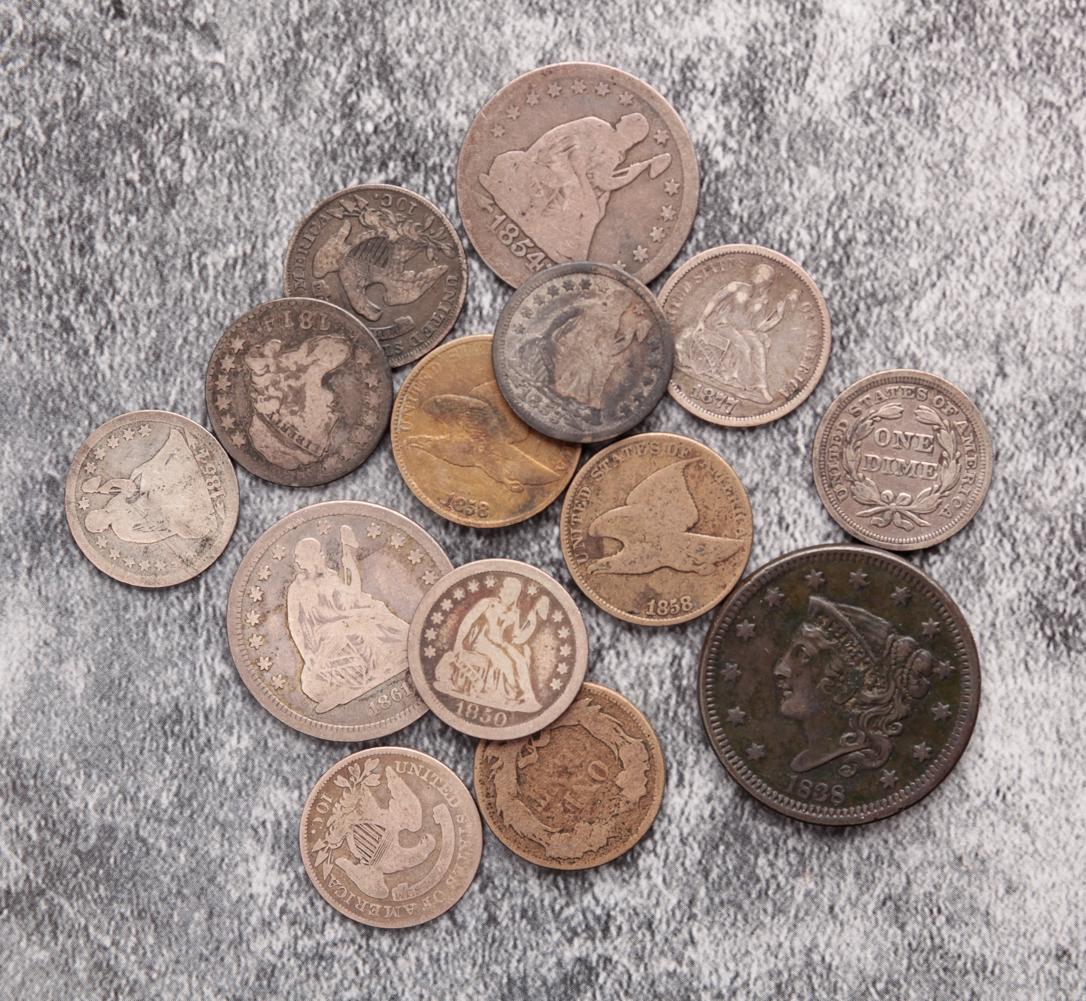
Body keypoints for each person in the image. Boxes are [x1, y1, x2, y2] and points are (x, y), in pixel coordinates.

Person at [773, 596, 934, 775]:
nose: (779, 669)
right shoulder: (806, 758)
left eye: (803, 655)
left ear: (847, 685)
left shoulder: (838, 757)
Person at [480, 112, 671, 261]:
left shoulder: (615, 153)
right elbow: (568, 150)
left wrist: (637, 170)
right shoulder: (596, 127)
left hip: (571, 172)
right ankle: (536, 222)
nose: (620, 117)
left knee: (593, 211)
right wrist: (579, 180)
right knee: (576, 196)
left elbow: (603, 182)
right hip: (553, 160)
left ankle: (565, 249)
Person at [286, 527, 408, 713]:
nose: (297, 561)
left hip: (344, 624)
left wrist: (349, 560)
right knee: (312, 684)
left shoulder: (331, 576)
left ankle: (387, 660)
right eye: (297, 557)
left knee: (375, 613)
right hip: (323, 639)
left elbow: (351, 598)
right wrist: (308, 657)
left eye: (300, 556)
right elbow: (295, 625)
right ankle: (356, 677)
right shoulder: (297, 589)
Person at [676, 263, 797, 404]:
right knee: (744, 347)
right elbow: (715, 300)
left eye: (764, 275)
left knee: (758, 346)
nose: (759, 276)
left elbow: (758, 327)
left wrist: (778, 316)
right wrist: (701, 320)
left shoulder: (762, 300)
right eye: (758, 272)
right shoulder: (736, 286)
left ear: (768, 281)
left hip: (743, 329)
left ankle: (761, 387)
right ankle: (744, 385)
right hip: (722, 324)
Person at [433, 577, 547, 713]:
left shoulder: (515, 612)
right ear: (502, 590)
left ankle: (528, 697)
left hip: (501, 643)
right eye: (509, 590)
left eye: (514, 592)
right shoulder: (486, 603)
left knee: (520, 659)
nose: (510, 595)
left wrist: (532, 620)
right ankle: (511, 695)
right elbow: (467, 622)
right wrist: (458, 644)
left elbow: (517, 638)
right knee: (505, 662)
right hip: (481, 642)